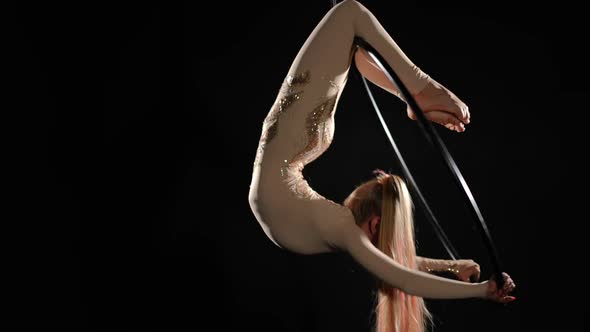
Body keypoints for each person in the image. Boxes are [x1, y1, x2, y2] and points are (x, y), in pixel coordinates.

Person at [248, 1, 516, 331]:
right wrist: (454, 266)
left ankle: (421, 90)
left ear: (374, 225)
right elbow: (396, 262)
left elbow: (401, 275)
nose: (372, 179)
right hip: (290, 154)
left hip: (288, 145)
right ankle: (414, 97)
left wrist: (479, 291)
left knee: (349, 13)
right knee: (354, 45)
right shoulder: (346, 234)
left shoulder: (343, 228)